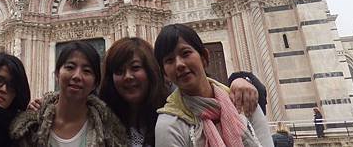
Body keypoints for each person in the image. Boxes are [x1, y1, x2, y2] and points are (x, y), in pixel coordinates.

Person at [99, 37, 264, 147]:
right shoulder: (100, 119)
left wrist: (244, 79)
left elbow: (209, 91)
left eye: (136, 68)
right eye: (118, 71)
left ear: (152, 71)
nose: (127, 77)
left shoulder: (178, 112)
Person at [154, 24, 273, 147]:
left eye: (186, 53)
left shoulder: (242, 100)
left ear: (204, 57)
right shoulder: (169, 125)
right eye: (169, 60)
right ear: (165, 74)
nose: (179, 64)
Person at [10, 41, 128, 146]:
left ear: (96, 83)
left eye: (87, 71)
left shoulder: (109, 130)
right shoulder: (30, 127)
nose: (77, 76)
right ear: (57, 74)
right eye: (70, 67)